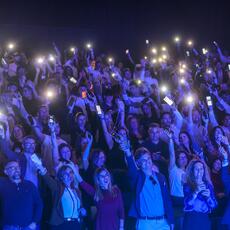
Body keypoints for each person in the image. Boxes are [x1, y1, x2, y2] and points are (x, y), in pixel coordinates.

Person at [118, 136, 174, 230]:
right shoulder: (138, 177)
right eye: (143, 160)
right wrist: (127, 152)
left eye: (148, 158)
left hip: (163, 222)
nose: (147, 162)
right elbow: (132, 169)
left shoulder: (161, 177)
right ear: (138, 163)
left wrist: (171, 220)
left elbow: (167, 199)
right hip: (146, 223)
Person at [35, 161, 84, 230]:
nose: (69, 175)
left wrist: (83, 211)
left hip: (75, 224)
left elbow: (80, 208)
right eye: (66, 174)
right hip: (61, 224)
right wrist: (41, 168)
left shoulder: (77, 191)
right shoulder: (58, 187)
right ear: (61, 176)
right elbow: (48, 179)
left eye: (70, 172)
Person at [0, 160, 43, 230]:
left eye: (17, 167)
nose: (16, 169)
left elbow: (39, 204)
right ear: (6, 172)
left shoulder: (29, 185)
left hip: (29, 227)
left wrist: (35, 222)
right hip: (9, 227)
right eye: (12, 168)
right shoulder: (2, 184)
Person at [183, 159, 217, 230]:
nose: (199, 171)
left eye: (201, 169)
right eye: (196, 169)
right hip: (191, 219)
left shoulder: (208, 185)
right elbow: (186, 205)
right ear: (192, 171)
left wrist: (208, 197)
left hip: (204, 219)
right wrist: (196, 192)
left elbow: (214, 206)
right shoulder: (187, 185)